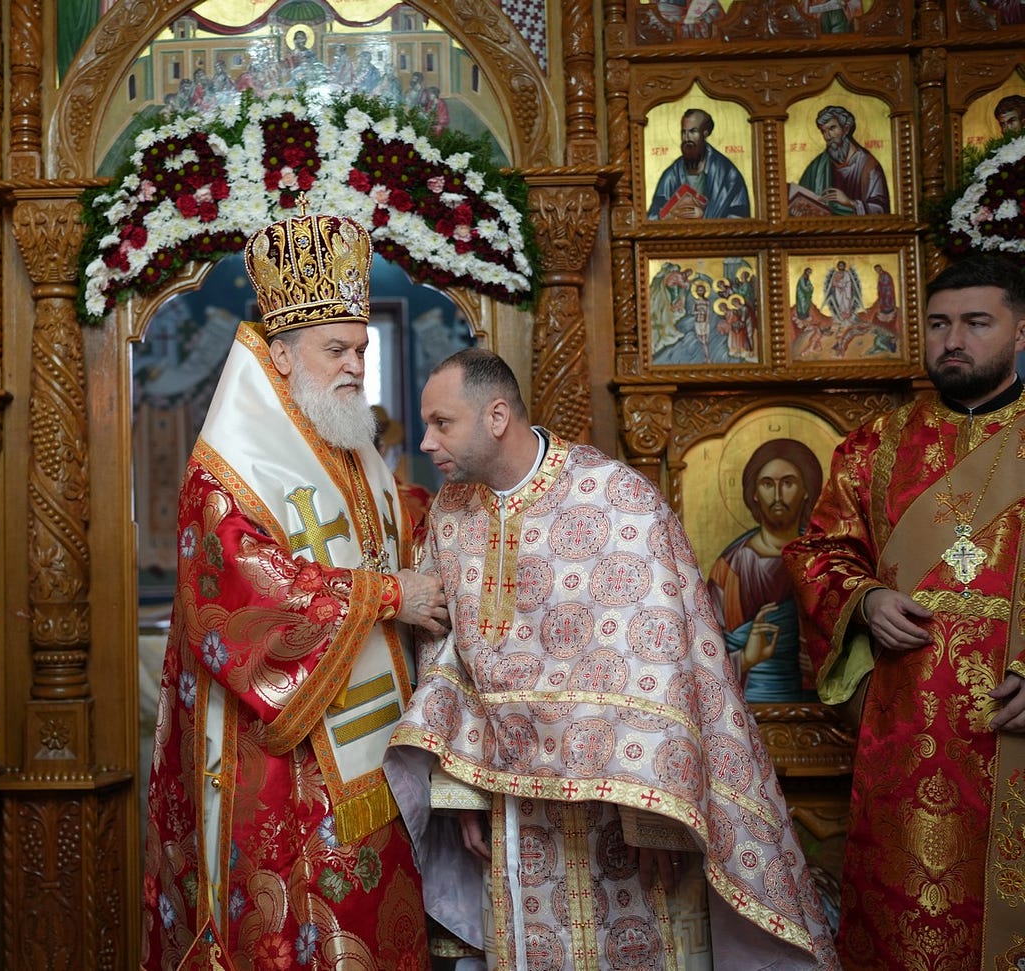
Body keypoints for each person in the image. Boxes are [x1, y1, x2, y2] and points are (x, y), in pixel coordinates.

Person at [385, 349, 839, 970]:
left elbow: (662, 661)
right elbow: (445, 656)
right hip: (510, 799)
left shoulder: (614, 497)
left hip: (622, 801)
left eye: (442, 423)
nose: (426, 441)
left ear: (496, 417)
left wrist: (656, 820)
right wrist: (463, 790)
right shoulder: (451, 512)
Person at [141, 208, 450, 970]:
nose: (355, 366)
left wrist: (473, 512)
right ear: (279, 354)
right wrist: (388, 596)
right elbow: (240, 599)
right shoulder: (227, 470)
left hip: (368, 753)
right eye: (335, 349)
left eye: (361, 349)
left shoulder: (342, 443)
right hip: (277, 761)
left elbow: (392, 525)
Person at [784, 254, 1025, 969]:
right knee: (910, 930)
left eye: (976, 323)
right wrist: (865, 599)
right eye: (939, 324)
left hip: (1014, 724)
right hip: (908, 734)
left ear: (1020, 331)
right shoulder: (875, 446)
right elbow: (818, 551)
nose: (954, 340)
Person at [708, 438, 823, 702]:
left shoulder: (824, 561)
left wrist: (827, 664)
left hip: (822, 709)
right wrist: (747, 657)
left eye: (788, 483)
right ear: (755, 493)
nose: (778, 496)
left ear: (806, 490)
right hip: (748, 707)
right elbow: (705, 652)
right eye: (768, 484)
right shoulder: (730, 567)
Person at [647, 108, 752, 220]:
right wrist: (670, 216)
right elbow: (652, 217)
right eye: (684, 132)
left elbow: (740, 217)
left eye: (693, 131)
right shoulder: (672, 174)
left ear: (705, 133)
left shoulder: (727, 174)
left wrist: (703, 217)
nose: (687, 138)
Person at [792, 105, 891, 215]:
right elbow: (801, 199)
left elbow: (880, 211)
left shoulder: (868, 166)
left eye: (832, 128)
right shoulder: (817, 166)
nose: (827, 137)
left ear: (846, 129)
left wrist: (850, 203)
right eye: (823, 131)